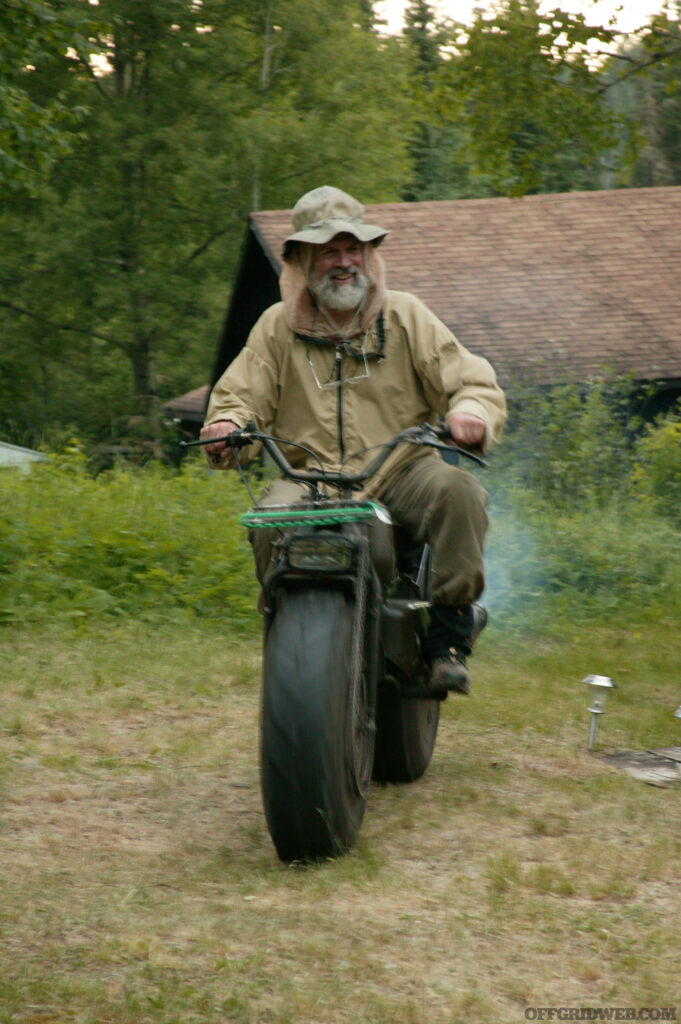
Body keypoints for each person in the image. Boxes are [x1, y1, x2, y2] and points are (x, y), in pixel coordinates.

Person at [200, 186, 507, 695]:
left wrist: (470, 411)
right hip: (308, 478)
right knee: (266, 524)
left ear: (368, 254)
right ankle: (294, 632)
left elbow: (470, 379)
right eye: (328, 252)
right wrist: (227, 428)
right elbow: (239, 398)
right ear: (302, 260)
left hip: (403, 468)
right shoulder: (275, 329)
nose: (344, 263)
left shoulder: (407, 316)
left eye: (353, 249)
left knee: (460, 492)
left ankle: (449, 636)